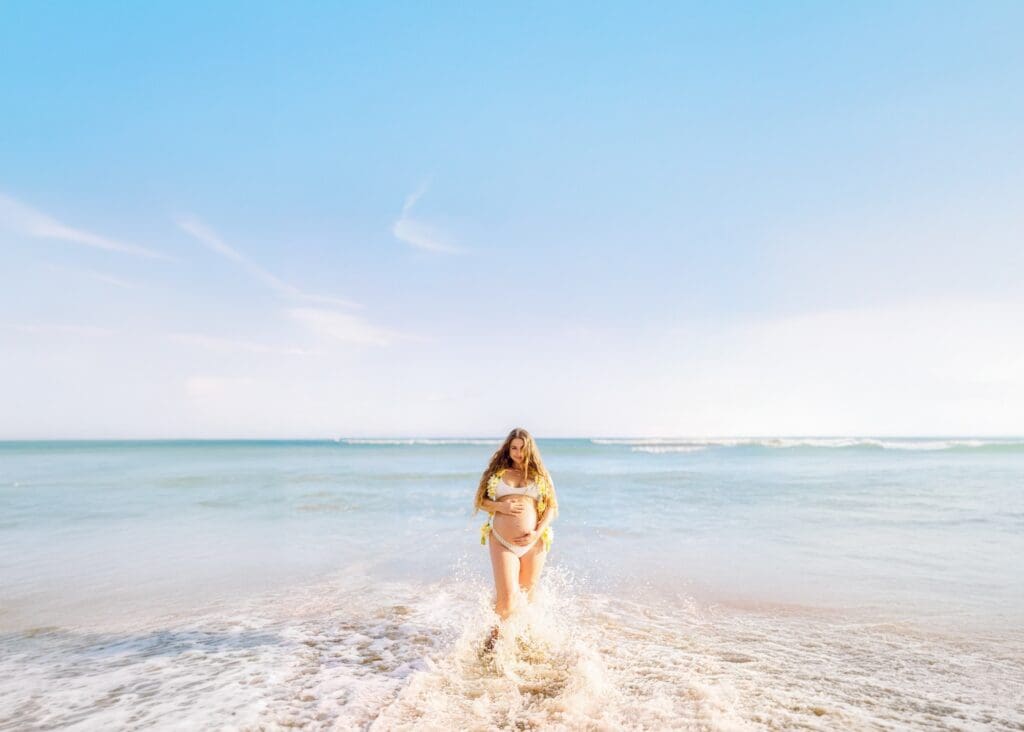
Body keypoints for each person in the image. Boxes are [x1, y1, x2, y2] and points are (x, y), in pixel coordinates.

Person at [474, 428, 559, 651]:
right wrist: (502, 505)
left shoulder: (540, 475)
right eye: (514, 448)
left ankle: (522, 642)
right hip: (502, 541)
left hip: (534, 543)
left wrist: (537, 532)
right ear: (508, 448)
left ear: (529, 449)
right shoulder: (497, 473)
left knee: (527, 596)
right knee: (508, 598)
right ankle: (492, 642)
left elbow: (551, 507)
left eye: (522, 448)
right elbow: (480, 501)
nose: (518, 453)